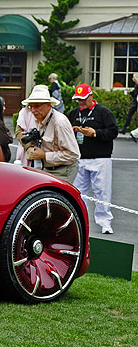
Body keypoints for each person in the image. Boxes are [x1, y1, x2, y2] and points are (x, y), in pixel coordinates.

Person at [67, 83, 118, 234]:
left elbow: (113, 131)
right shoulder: (73, 113)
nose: (81, 102)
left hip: (101, 158)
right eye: (78, 99)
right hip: (80, 158)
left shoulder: (103, 112)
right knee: (79, 192)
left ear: (91, 96)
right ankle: (80, 222)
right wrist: (72, 130)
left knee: (102, 192)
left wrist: (95, 133)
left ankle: (105, 222)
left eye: (83, 99)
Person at [16, 84, 80, 184]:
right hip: (46, 168)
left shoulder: (59, 123)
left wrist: (45, 155)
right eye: (30, 106)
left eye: (37, 106)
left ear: (48, 105)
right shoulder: (40, 118)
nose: (33, 110)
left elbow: (73, 154)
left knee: (56, 198)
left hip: (63, 171)